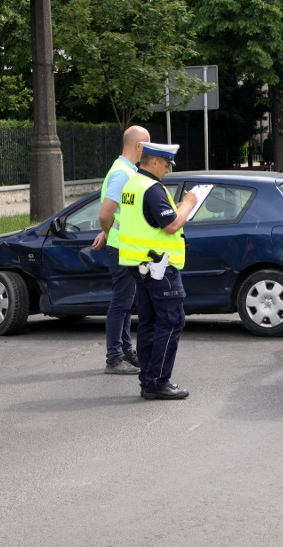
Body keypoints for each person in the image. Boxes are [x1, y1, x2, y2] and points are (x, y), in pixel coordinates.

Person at [116, 142, 197, 400]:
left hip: (140, 266)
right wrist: (188, 203)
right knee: (171, 322)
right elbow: (171, 225)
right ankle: (158, 381)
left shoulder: (133, 185)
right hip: (158, 267)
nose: (168, 170)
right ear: (153, 161)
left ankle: (149, 380)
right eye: (165, 164)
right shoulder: (151, 188)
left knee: (150, 323)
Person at [92, 125, 151, 375]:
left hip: (123, 245)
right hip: (120, 247)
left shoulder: (126, 170)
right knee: (121, 302)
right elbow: (105, 214)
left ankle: (125, 352)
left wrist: (108, 230)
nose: (148, 150)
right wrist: (107, 232)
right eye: (146, 146)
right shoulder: (122, 174)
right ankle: (114, 357)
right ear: (138, 146)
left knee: (126, 302)